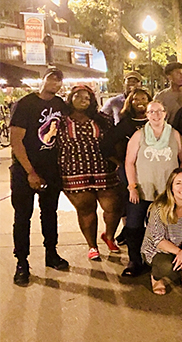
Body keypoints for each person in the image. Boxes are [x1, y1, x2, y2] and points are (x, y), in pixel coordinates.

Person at [10, 67, 69, 286]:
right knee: (23, 216)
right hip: (25, 171)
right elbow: (16, 141)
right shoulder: (25, 104)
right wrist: (30, 172)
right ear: (42, 80)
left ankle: (51, 253)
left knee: (50, 213)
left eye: (59, 80)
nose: (55, 83)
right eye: (51, 78)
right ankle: (22, 262)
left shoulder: (60, 105)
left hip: (50, 168)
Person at [57, 85, 122, 261]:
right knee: (86, 209)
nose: (83, 100)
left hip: (103, 169)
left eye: (87, 98)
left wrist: (119, 162)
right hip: (73, 172)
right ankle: (92, 246)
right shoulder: (60, 121)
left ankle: (109, 236)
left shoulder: (102, 120)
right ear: (70, 98)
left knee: (113, 207)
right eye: (78, 96)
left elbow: (114, 141)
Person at [124, 101, 182, 276]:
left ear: (165, 113)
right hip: (143, 190)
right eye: (151, 112)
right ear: (147, 115)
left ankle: (165, 261)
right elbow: (129, 162)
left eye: (159, 111)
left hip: (167, 193)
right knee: (134, 226)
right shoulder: (139, 135)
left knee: (167, 228)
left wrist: (180, 185)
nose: (156, 115)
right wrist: (132, 187)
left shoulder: (174, 135)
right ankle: (135, 261)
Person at [100, 88, 152, 245]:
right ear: (130, 103)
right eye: (136, 99)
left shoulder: (156, 122)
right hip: (131, 171)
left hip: (152, 170)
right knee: (134, 207)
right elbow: (106, 145)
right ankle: (133, 241)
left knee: (152, 207)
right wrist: (119, 163)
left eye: (144, 98)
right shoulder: (126, 124)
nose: (140, 102)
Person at [141, 169, 182, 295]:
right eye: (178, 183)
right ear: (171, 187)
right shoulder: (159, 207)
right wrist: (181, 254)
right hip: (156, 250)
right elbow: (158, 240)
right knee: (166, 266)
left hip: (180, 245)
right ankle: (156, 277)